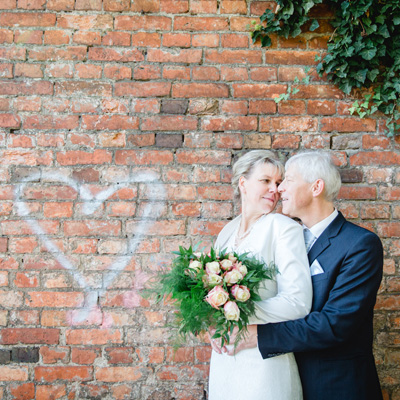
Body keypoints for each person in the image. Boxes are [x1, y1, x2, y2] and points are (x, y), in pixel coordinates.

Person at [221, 151, 383, 400]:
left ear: (316, 187)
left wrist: (256, 334)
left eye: (287, 180)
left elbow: (335, 324)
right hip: (282, 377)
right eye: (273, 182)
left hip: (335, 385)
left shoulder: (359, 244)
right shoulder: (286, 236)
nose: (279, 189)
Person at [208, 150, 312, 400]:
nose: (274, 189)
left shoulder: (284, 228)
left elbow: (298, 303)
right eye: (265, 181)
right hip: (224, 360)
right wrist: (212, 322)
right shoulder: (226, 232)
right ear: (243, 183)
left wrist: (234, 313)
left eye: (278, 183)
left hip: (264, 363)